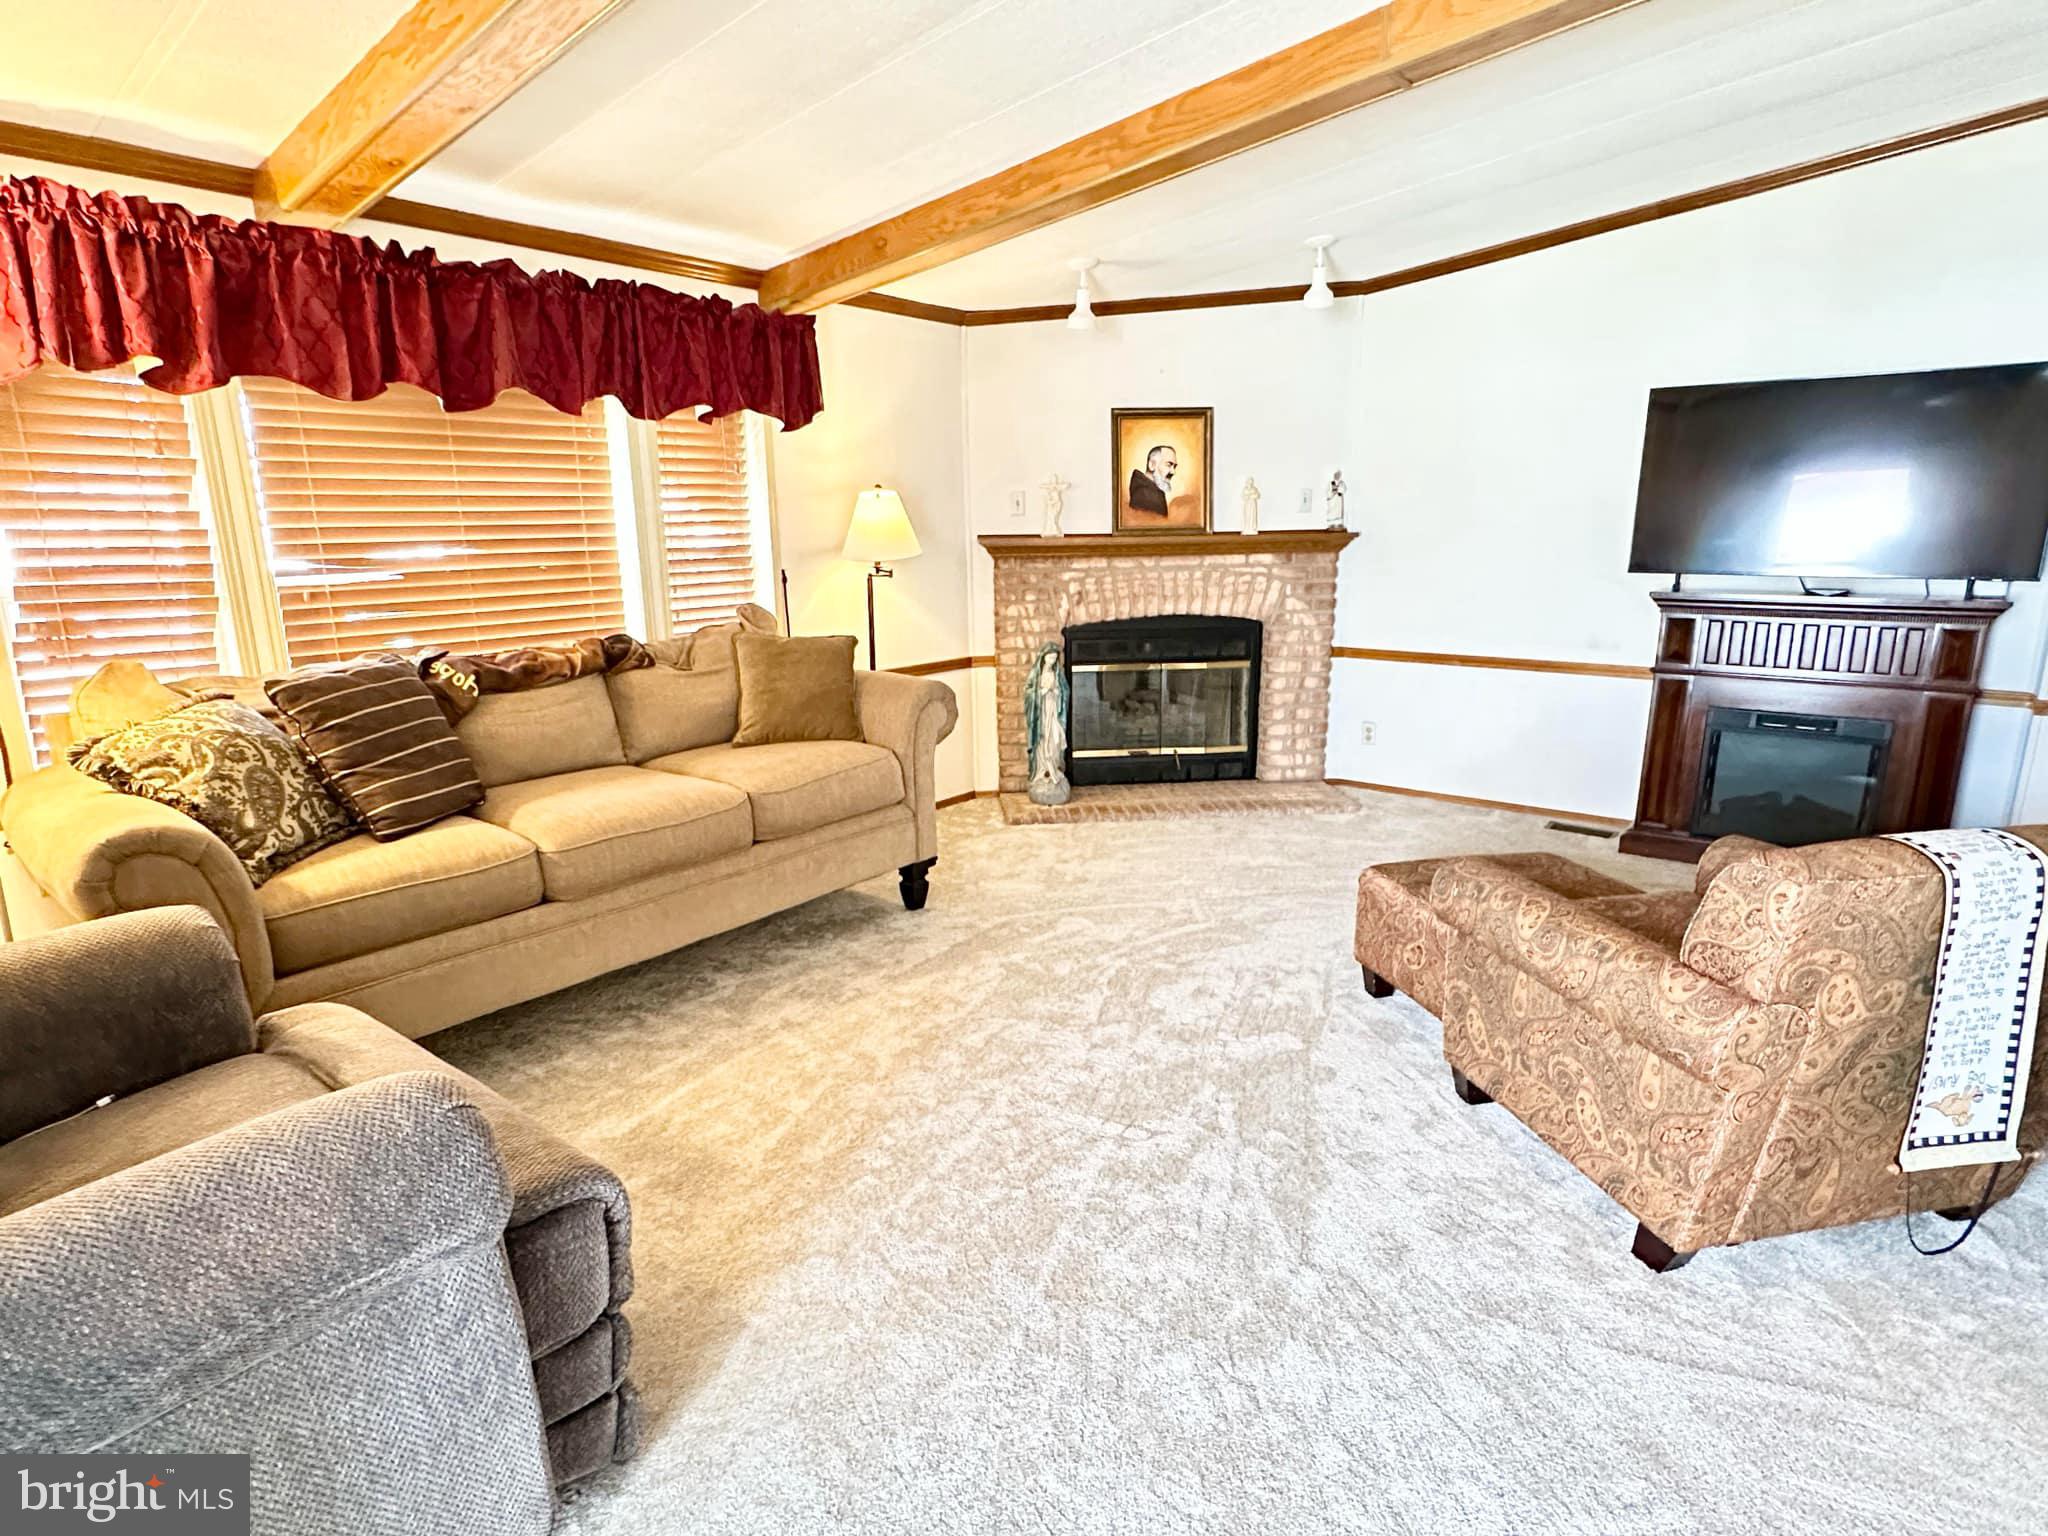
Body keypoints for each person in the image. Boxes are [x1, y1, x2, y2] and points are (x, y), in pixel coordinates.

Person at [1126, 444, 1176, 516]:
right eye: (1169, 464)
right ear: (1152, 465)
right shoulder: (1144, 496)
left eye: (1174, 466)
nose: (1173, 472)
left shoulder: (1154, 492)